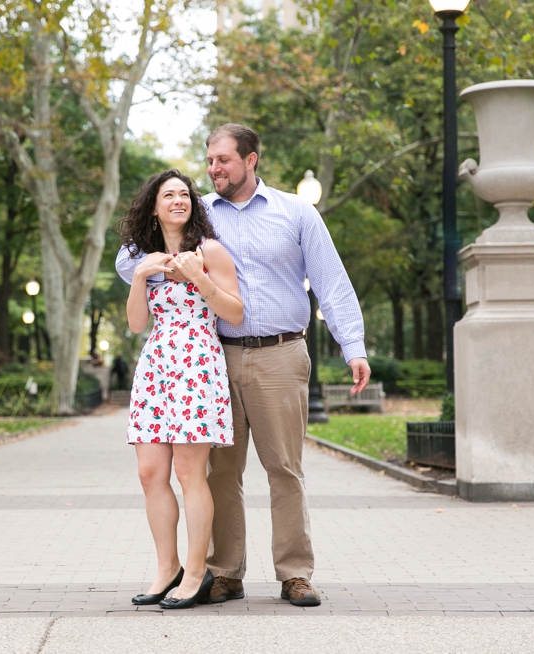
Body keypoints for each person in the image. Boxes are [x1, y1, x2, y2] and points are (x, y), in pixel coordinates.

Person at [116, 124, 371, 607]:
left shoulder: (296, 212)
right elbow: (132, 259)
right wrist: (158, 268)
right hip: (213, 356)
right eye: (209, 161)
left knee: (284, 468)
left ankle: (294, 573)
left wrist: (352, 347)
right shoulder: (197, 211)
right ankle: (225, 573)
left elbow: (331, 282)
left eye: (223, 161)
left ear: (251, 160)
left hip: (280, 352)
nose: (213, 169)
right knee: (219, 472)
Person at [120, 169, 244, 609]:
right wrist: (140, 278)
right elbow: (137, 323)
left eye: (184, 194)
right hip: (156, 367)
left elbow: (234, 313)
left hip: (196, 365)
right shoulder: (145, 259)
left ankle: (196, 573)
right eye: (168, 195)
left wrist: (200, 278)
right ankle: (165, 568)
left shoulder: (208, 250)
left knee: (191, 473)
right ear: (153, 207)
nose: (178, 200)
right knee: (151, 473)